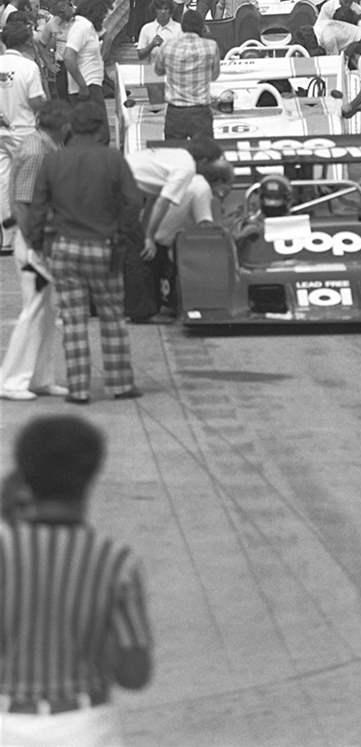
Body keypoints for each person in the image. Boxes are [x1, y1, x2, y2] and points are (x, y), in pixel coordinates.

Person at [0, 414, 152, 744]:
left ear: (24, 473)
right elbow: (135, 673)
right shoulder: (116, 562)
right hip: (85, 727)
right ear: (93, 474)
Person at [29, 101, 142, 404]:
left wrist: (37, 243)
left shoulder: (53, 161)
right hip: (103, 246)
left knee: (74, 320)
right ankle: (119, 384)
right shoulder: (113, 159)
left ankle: (78, 388)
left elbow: (38, 207)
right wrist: (121, 230)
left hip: (64, 248)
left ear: (70, 127)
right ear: (100, 128)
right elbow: (133, 202)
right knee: (112, 317)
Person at [0, 100, 71, 400]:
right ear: (65, 126)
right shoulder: (36, 152)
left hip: (39, 240)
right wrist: (35, 245)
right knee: (34, 311)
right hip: (33, 243)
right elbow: (24, 203)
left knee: (45, 311)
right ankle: (12, 380)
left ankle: (39, 377)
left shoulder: (42, 146)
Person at [124, 139, 233, 321]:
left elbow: (154, 199)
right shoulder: (196, 181)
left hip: (122, 182)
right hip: (125, 193)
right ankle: (141, 313)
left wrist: (145, 232)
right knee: (138, 257)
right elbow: (205, 228)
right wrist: (149, 237)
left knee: (134, 250)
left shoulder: (176, 158)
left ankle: (139, 308)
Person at [0, 17, 46, 254]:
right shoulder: (29, 67)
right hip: (25, 132)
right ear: (26, 42)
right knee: (29, 185)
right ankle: (28, 235)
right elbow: (35, 100)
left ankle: (8, 238)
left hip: (1, 132)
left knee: (4, 183)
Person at [155, 8, 220, 141]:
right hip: (200, 112)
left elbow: (158, 71)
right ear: (202, 27)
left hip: (175, 112)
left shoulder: (167, 46)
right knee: (204, 157)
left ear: (182, 26)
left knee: (175, 157)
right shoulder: (211, 46)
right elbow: (214, 75)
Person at [63, 0, 111, 144]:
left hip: (91, 85)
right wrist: (82, 85)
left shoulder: (87, 26)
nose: (104, 17)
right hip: (86, 89)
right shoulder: (81, 27)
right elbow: (69, 56)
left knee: (94, 134)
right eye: (103, 13)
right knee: (99, 135)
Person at [37, 0, 76, 99]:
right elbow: (40, 44)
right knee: (64, 100)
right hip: (62, 67)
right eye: (57, 12)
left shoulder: (80, 19)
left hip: (79, 63)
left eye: (62, 10)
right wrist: (49, 64)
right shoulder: (52, 23)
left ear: (67, 4)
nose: (60, 15)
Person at [136, 0, 182, 65]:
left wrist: (164, 46)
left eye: (166, 9)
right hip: (152, 72)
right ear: (155, 10)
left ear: (170, 11)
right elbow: (140, 55)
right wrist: (151, 45)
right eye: (160, 8)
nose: (163, 12)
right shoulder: (146, 28)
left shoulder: (179, 29)